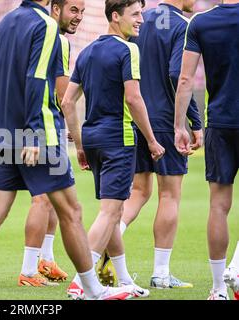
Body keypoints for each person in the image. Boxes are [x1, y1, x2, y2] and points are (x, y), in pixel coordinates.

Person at [0, 0, 135, 300]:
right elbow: (35, 80)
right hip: (39, 135)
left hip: (3, 132)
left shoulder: (4, 23)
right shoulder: (45, 25)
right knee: (71, 212)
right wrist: (34, 134)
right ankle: (91, 288)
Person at [64, 0, 165, 299]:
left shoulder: (87, 51)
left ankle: (122, 280)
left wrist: (80, 143)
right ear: (115, 16)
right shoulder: (128, 49)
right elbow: (134, 99)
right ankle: (81, 283)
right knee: (110, 213)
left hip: (93, 139)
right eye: (135, 14)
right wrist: (151, 140)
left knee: (115, 209)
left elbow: (68, 102)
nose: (141, 20)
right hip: (118, 138)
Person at [113, 0, 203, 289]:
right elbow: (179, 74)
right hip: (164, 120)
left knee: (138, 191)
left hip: (136, 117)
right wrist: (194, 121)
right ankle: (161, 273)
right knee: (169, 196)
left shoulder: (140, 18)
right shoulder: (182, 25)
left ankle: (107, 240)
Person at [174, 0, 239, 300]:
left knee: (218, 206)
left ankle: (218, 288)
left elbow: (185, 78)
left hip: (220, 123)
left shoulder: (200, 22)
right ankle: (237, 266)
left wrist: (179, 126)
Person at [19, 0, 85, 287]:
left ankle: (45, 258)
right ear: (55, 9)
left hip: (23, 124)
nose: (79, 17)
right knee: (44, 199)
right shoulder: (55, 39)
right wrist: (73, 128)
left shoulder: (27, 32)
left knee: (54, 199)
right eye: (74, 10)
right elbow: (63, 96)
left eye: (82, 12)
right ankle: (28, 269)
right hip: (43, 127)